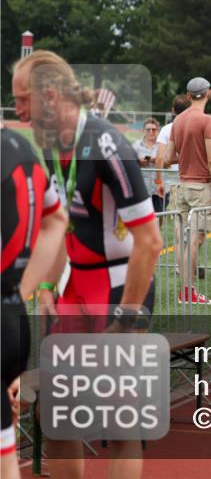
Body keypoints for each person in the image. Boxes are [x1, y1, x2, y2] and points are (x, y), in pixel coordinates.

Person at [14, 51, 162, 479]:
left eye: (23, 99)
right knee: (56, 417)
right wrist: (45, 287)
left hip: (119, 289)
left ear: (51, 95)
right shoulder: (51, 143)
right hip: (77, 287)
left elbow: (150, 242)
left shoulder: (107, 145)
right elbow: (61, 223)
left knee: (120, 423)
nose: (18, 110)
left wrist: (128, 317)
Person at [1, 127, 68, 477]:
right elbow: (57, 221)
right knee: (4, 453)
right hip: (11, 315)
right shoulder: (21, 148)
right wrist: (22, 289)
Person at [162, 77, 211, 305]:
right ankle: (188, 291)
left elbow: (168, 159)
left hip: (180, 187)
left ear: (188, 96)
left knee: (183, 240)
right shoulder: (206, 120)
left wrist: (186, 156)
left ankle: (186, 288)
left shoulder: (177, 121)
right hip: (200, 187)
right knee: (196, 240)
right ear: (208, 94)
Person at [155, 94, 192, 215]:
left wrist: (159, 181)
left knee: (179, 217)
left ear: (172, 110)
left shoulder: (166, 129)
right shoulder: (195, 128)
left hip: (172, 180)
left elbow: (160, 157)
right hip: (193, 177)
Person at [132, 117, 164, 213]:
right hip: (142, 187)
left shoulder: (161, 146)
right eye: (148, 129)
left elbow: (167, 162)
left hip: (158, 187)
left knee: (160, 213)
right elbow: (129, 162)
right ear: (143, 131)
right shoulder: (136, 145)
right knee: (143, 214)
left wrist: (158, 161)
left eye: (154, 129)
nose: (151, 132)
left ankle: (158, 228)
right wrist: (138, 162)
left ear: (157, 131)